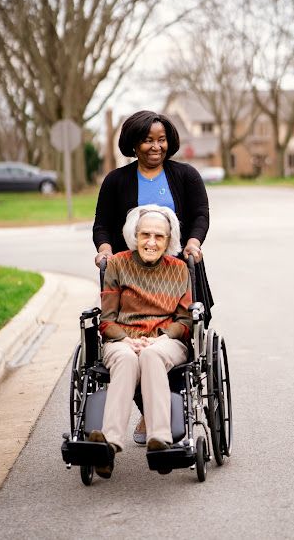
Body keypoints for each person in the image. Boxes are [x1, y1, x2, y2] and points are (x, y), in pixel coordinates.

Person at [92, 109, 213, 443]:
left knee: (175, 342)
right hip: (129, 278)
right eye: (147, 140)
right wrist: (104, 250)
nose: (155, 146)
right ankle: (150, 414)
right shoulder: (116, 181)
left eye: (161, 140)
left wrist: (192, 242)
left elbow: (201, 214)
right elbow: (102, 222)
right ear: (134, 143)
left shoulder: (185, 176)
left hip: (177, 274)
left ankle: (159, 417)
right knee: (126, 351)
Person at [88, 205, 192, 479]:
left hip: (165, 341)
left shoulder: (180, 269)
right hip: (122, 339)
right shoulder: (118, 264)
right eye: (145, 234)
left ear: (169, 241)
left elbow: (185, 321)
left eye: (159, 236)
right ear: (134, 236)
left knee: (151, 356)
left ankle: (160, 440)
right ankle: (108, 446)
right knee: (124, 357)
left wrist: (157, 339)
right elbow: (107, 319)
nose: (152, 242)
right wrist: (125, 339)